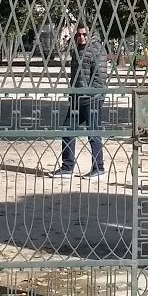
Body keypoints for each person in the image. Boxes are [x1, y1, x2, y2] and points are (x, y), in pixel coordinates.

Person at [50, 23, 106, 179]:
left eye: (84, 35)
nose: (81, 37)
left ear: (89, 35)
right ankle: (67, 167)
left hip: (91, 99)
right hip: (77, 98)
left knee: (93, 133)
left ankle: (98, 167)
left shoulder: (97, 50)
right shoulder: (76, 50)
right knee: (67, 130)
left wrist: (95, 96)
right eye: (79, 35)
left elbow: (99, 77)